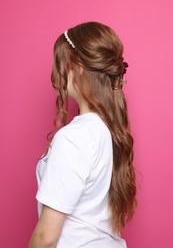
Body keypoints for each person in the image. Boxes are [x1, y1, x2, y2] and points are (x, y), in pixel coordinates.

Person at [28, 22, 137, 248]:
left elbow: (45, 239)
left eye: (61, 63)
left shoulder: (74, 138)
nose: (56, 72)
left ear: (77, 66)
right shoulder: (108, 130)